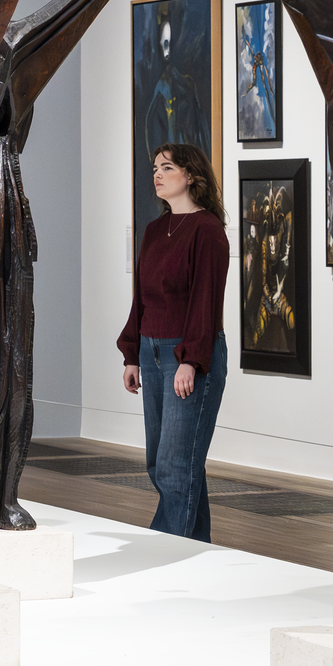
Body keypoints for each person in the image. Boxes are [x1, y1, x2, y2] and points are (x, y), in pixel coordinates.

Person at [116, 143, 230, 541]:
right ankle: (196, 550)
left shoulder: (208, 231)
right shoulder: (153, 230)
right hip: (150, 350)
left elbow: (205, 300)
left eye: (167, 167)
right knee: (162, 462)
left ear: (191, 176)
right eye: (154, 168)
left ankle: (164, 546)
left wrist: (191, 360)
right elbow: (142, 296)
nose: (157, 174)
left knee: (175, 464)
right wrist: (132, 353)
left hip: (188, 353)